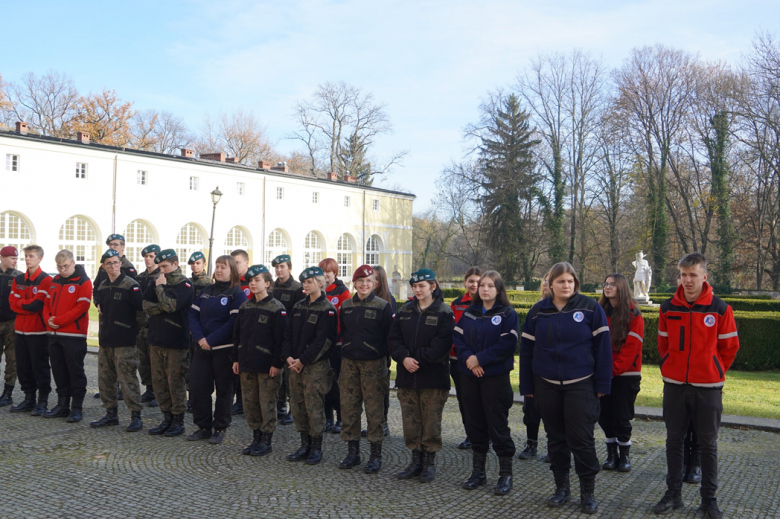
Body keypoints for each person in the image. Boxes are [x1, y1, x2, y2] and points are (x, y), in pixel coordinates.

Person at [519, 262, 612, 514]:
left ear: (576, 283)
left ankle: (587, 493)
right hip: (546, 385)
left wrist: (603, 384)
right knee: (556, 440)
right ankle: (561, 488)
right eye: (561, 281)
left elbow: (603, 349)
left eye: (570, 281)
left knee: (582, 440)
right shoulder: (538, 311)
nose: (566, 285)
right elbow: (527, 351)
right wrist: (526, 384)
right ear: (550, 285)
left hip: (581, 385)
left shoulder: (591, 308)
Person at [653, 253, 739, 519]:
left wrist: (712, 370)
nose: (687, 280)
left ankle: (708, 500)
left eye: (693, 275)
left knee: (708, 444)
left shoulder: (720, 309)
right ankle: (673, 494)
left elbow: (729, 348)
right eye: (683, 274)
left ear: (704, 276)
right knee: (674, 441)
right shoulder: (668, 308)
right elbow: (662, 345)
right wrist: (670, 365)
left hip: (708, 387)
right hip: (675, 386)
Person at [454, 271, 519, 495]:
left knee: (497, 425)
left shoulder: (507, 313)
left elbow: (507, 344)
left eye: (490, 286)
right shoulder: (470, 313)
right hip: (470, 376)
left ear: (498, 290)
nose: (485, 289)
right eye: (482, 285)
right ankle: (478, 473)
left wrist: (479, 359)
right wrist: (470, 360)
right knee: (475, 424)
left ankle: (505, 474)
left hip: (495, 379)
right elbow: (458, 338)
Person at [388, 268, 454, 483]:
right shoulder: (405, 311)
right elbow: (393, 339)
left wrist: (418, 360)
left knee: (431, 422)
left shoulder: (444, 312)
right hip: (407, 376)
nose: (417, 290)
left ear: (433, 287)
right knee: (411, 421)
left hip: (432, 377)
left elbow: (441, 345)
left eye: (422, 286)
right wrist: (404, 358)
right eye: (414, 286)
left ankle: (429, 463)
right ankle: (415, 460)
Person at [337, 265, 394, 473]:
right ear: (354, 283)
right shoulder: (346, 306)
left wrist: (385, 363)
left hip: (374, 365)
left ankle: (375, 455)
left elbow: (391, 337)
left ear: (374, 284)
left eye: (368, 281)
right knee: (349, 409)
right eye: (360, 281)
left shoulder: (383, 306)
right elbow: (341, 333)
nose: (364, 285)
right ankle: (353, 453)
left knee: (374, 410)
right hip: (349, 364)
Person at [187, 255, 246, 444]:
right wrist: (200, 338)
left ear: (232, 271)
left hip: (224, 350)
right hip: (202, 349)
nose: (219, 270)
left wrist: (211, 340)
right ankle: (203, 426)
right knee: (198, 388)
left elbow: (233, 323)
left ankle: (220, 427)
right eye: (218, 267)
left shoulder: (237, 294)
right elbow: (192, 315)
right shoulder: (206, 291)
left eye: (224, 267)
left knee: (224, 390)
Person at [281, 266, 337, 465]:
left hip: (315, 367)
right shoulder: (298, 307)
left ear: (320, 284)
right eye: (304, 282)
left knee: (314, 407)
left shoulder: (327, 309)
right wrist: (288, 356)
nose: (305, 285)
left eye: (310, 282)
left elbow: (323, 341)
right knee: (297, 405)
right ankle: (304, 444)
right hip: (295, 365)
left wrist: (303, 360)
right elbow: (287, 335)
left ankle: (316, 447)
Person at [231, 264, 287, 456]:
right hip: (247, 363)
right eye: (251, 281)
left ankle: (266, 440)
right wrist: (236, 359)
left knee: (267, 403)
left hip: (267, 366)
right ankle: (255, 437)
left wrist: (277, 363)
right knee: (250, 402)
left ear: (267, 283)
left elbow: (281, 340)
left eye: (257, 280)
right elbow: (237, 336)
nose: (253, 284)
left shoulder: (276, 308)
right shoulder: (245, 307)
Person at [90, 249, 144, 432]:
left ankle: (135, 415)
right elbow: (101, 307)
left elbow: (141, 314)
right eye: (109, 263)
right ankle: (110, 413)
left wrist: (129, 330)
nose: (113, 266)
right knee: (105, 379)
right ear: (103, 267)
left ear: (120, 264)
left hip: (125, 342)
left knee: (127, 379)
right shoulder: (103, 285)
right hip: (106, 340)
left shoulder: (131, 285)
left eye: (115, 262)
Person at [143, 249, 194, 437]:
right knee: (159, 381)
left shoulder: (185, 285)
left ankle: (178, 420)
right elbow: (145, 305)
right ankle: (166, 418)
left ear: (175, 264)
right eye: (160, 267)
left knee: (175, 382)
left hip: (175, 341)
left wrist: (160, 290)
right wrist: (161, 306)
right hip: (156, 339)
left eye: (164, 266)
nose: (162, 270)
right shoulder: (156, 280)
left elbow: (171, 306)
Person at [598, 273, 643, 472]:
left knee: (622, 416)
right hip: (602, 373)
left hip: (626, 376)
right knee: (604, 415)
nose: (608, 287)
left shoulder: (634, 313)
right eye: (606, 284)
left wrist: (612, 370)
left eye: (612, 285)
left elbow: (631, 349)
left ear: (621, 287)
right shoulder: (599, 311)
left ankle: (624, 455)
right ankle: (611, 453)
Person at [41, 249, 92, 423]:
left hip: (73, 336)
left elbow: (81, 308)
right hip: (54, 334)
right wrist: (48, 319)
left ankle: (76, 408)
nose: (63, 270)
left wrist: (60, 321)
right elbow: (46, 303)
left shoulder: (83, 281)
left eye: (66, 266)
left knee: (75, 372)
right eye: (60, 267)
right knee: (58, 371)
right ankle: (62, 405)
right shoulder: (55, 280)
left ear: (73, 263)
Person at [9, 245, 52, 415]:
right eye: (26, 256)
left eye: (31, 256)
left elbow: (37, 305)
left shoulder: (46, 280)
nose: (27, 259)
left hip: (38, 332)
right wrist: (24, 305)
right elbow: (12, 304)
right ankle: (29, 399)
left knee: (39, 367)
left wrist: (22, 304)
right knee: (23, 367)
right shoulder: (18, 279)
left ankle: (42, 401)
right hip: (20, 331)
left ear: (40, 258)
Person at [450, 266, 483, 450]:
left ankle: (483, 434)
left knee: (482, 400)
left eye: (478, 282)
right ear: (465, 282)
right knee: (464, 400)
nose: (474, 285)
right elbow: (453, 330)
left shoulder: (487, 303)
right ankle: (470, 434)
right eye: (471, 281)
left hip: (479, 360)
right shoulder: (456, 304)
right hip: (458, 360)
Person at [518, 273, 550, 462]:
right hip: (534, 367)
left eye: (549, 281)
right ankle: (531, 444)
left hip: (552, 371)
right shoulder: (535, 310)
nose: (546, 285)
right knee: (530, 409)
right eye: (544, 282)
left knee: (551, 411)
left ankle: (553, 446)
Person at [363, 264, 396, 438]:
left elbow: (391, 330)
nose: (370, 281)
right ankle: (373, 423)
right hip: (367, 353)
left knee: (381, 389)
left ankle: (382, 423)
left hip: (381, 352)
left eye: (373, 278)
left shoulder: (387, 301)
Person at [319, 257, 351, 434]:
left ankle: (340, 417)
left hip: (337, 345)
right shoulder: (317, 291)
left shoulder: (342, 292)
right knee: (324, 382)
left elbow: (344, 318)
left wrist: (334, 339)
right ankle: (327, 417)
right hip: (320, 346)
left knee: (338, 383)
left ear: (335, 273)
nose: (325, 276)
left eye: (328, 272)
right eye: (322, 272)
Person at [272, 254, 305, 426]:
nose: (279, 270)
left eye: (282, 267)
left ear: (289, 268)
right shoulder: (271, 287)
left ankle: (293, 410)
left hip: (290, 337)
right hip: (274, 337)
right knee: (277, 375)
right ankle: (279, 406)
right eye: (276, 267)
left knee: (290, 376)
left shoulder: (297, 289)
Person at [136, 244, 161, 407]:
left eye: (151, 256)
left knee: (156, 362)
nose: (147, 259)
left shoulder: (161, 276)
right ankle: (149, 389)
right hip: (140, 326)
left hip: (154, 325)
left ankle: (158, 393)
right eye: (145, 256)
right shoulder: (140, 277)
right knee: (143, 361)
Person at [187, 251, 211, 413]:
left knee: (200, 366)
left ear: (204, 264)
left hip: (201, 330)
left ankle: (199, 398)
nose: (195, 266)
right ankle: (190, 397)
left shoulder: (208, 284)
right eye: (192, 263)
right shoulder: (187, 282)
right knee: (188, 364)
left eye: (198, 263)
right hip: (187, 327)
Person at [0, 246, 22, 407]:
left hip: (12, 323)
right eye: (12, 258)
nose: (15, 261)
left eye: (16, 258)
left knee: (12, 359)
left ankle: (8, 393)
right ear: (2, 257)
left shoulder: (19, 277)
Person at [230, 249, 250, 416]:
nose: (235, 266)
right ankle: (237, 400)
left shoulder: (251, 282)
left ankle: (244, 402)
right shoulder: (231, 283)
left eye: (237, 263)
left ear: (246, 263)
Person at [92, 234, 137, 301]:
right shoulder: (103, 266)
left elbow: (133, 289)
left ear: (123, 246)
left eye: (115, 245)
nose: (112, 247)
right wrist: (98, 302)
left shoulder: (128, 267)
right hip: (105, 306)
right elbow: (96, 286)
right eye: (110, 245)